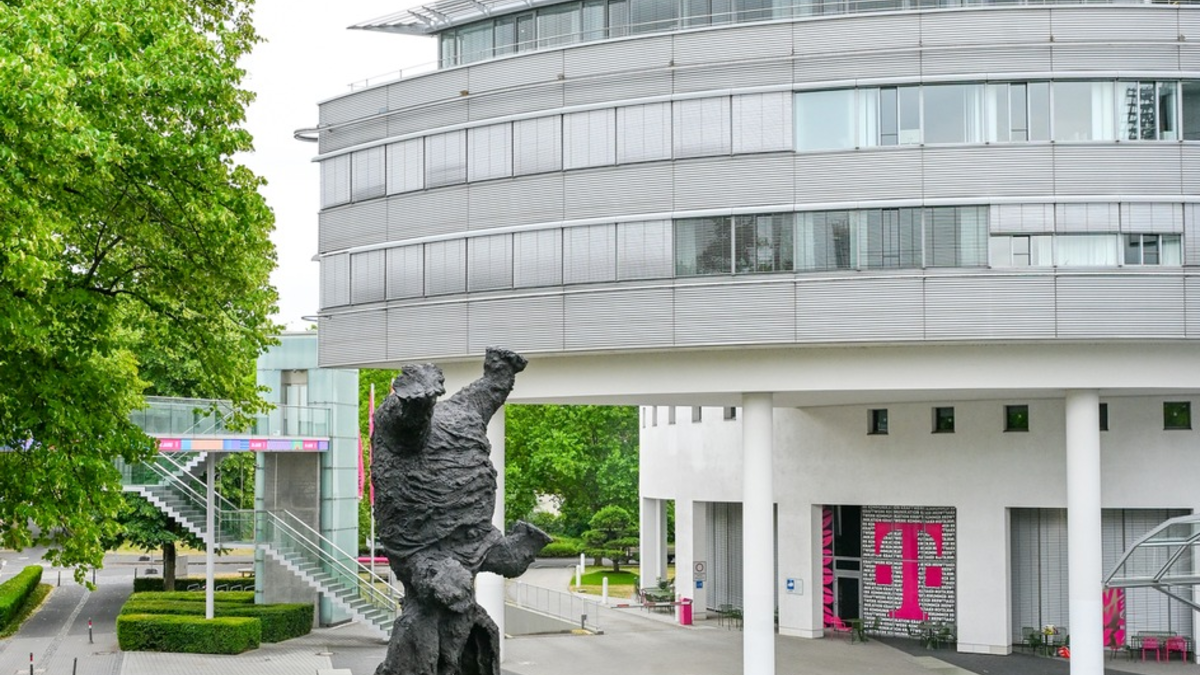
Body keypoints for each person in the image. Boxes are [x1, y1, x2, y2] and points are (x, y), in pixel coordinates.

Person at [372, 347, 550, 675]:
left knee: (505, 562)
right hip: (423, 546)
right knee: (450, 584)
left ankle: (497, 373)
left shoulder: (463, 414)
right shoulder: (427, 586)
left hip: (474, 538)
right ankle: (424, 401)